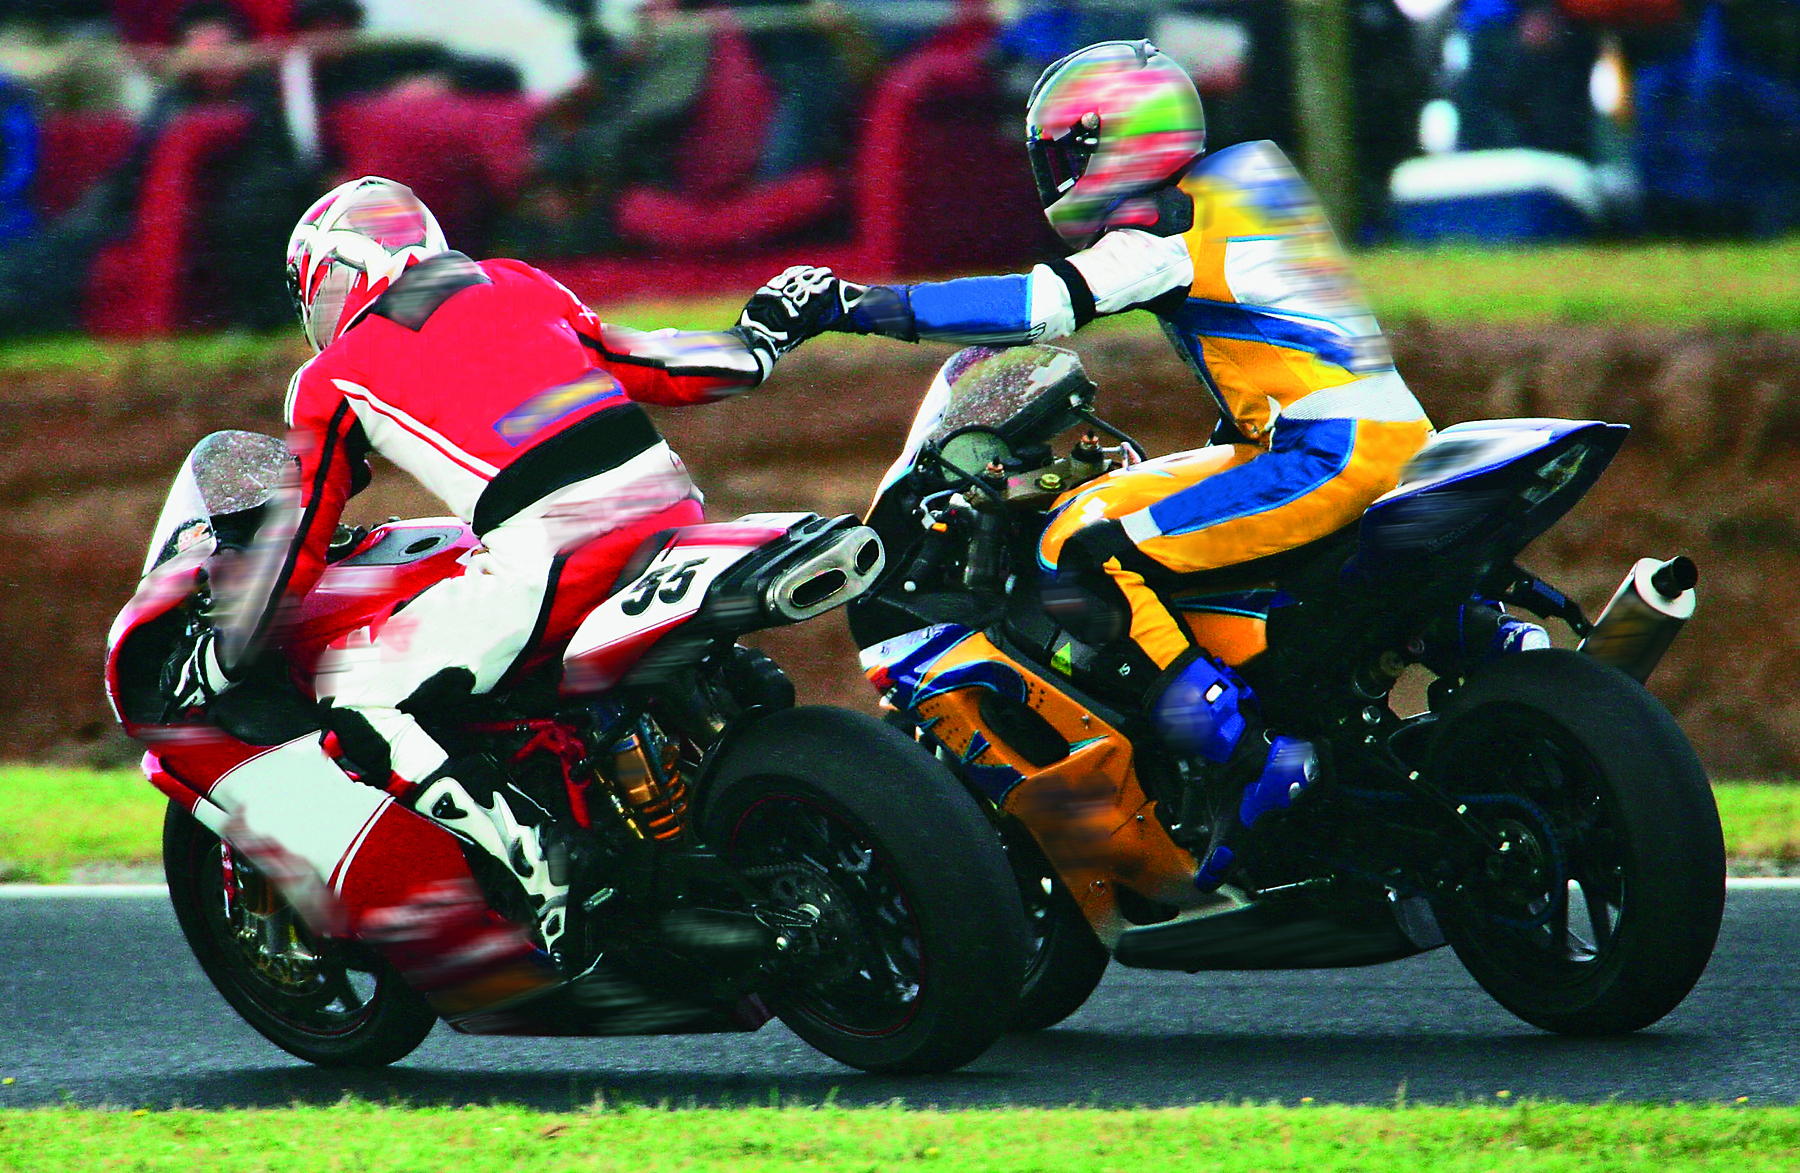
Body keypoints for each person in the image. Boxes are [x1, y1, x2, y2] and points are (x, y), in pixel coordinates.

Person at [169, 175, 850, 1025]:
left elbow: (300, 535)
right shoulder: (520, 283)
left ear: (340, 275)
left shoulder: (331, 375)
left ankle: (539, 857)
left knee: (355, 687)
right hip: (673, 516)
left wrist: (228, 649)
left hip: (556, 559)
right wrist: (759, 337)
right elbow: (666, 366)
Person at [821, 41, 1436, 890]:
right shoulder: (1255, 179)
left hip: (1323, 452)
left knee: (1083, 539)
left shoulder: (1166, 223)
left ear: (1110, 143)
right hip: (1404, 438)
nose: (1053, 176)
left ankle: (1250, 760)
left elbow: (1043, 307)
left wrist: (860, 305)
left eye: (1063, 154)